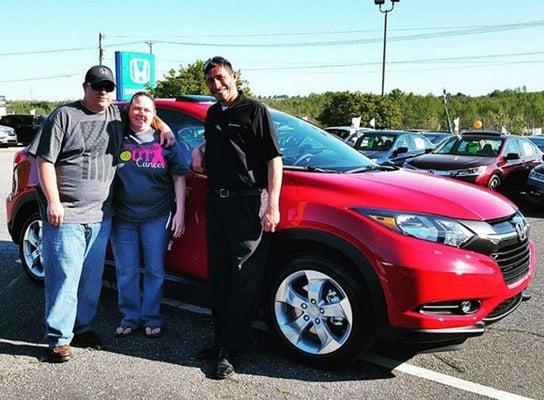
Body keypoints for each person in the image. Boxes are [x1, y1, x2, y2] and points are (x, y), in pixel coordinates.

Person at [31, 65, 175, 363]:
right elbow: (44, 161)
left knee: (90, 279)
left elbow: (143, 114)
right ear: (85, 86)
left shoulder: (114, 114)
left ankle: (82, 327)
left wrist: (165, 127)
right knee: (65, 277)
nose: (103, 92)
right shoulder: (64, 116)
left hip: (101, 215)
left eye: (108, 87)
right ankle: (59, 338)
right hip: (66, 214)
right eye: (97, 86)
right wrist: (53, 201)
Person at [192, 56, 283, 379]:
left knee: (244, 277)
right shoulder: (214, 113)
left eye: (221, 78)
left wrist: (272, 203)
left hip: (247, 204)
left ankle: (233, 350)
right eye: (211, 81)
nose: (217, 86)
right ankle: (220, 342)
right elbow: (222, 145)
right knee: (219, 276)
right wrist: (198, 150)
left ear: (233, 76)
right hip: (217, 203)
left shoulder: (255, 111)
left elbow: (273, 159)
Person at [111, 91, 190, 339]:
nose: (141, 113)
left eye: (146, 109)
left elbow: (179, 176)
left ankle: (151, 317)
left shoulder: (165, 141)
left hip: (156, 216)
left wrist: (180, 213)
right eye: (136, 108)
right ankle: (130, 316)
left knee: (155, 269)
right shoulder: (117, 137)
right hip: (123, 217)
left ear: (154, 114)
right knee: (127, 270)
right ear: (129, 111)